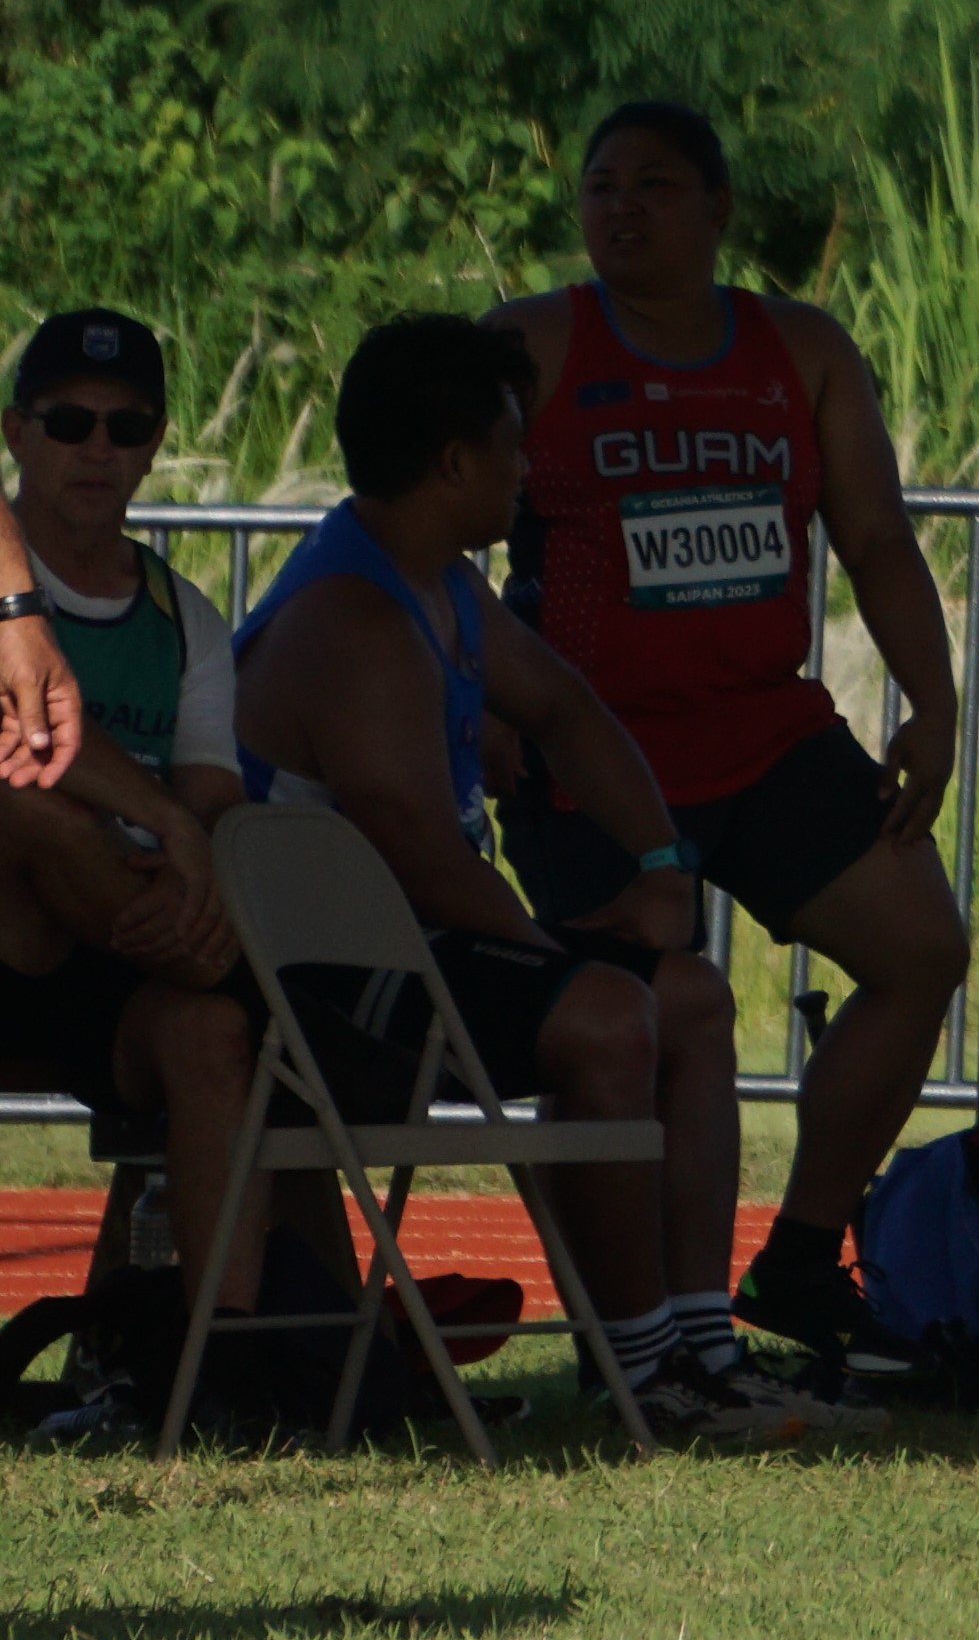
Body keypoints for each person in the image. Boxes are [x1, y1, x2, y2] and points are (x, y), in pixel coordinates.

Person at [236, 312, 866, 1445]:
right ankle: (643, 1379)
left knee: (692, 996)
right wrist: (557, 960)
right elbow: (421, 863)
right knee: (612, 1016)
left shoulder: (441, 586)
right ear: (455, 465)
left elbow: (569, 710)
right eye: (517, 449)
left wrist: (664, 865)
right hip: (318, 987)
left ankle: (699, 1348)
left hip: (400, 946)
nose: (531, 474)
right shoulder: (356, 620)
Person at [486, 102, 969, 1375]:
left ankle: (801, 1259)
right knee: (633, 1020)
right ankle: (633, 1328)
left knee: (922, 948)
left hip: (764, 733)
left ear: (719, 213)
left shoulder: (797, 349)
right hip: (593, 749)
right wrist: (474, 695)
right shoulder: (529, 344)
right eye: (599, 187)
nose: (621, 210)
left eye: (653, 185)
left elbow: (873, 538)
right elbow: (413, 525)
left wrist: (934, 702)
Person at [0, 309, 264, 1341]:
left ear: (155, 444)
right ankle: (250, 979)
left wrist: (181, 860)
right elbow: (34, 748)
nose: (97, 449)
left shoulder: (181, 613)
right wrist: (158, 829)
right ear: (18, 434)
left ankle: (223, 1362)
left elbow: (213, 804)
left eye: (125, 426)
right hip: (24, 926)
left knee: (212, 1032)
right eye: (69, 423)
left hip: (130, 952)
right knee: (28, 807)